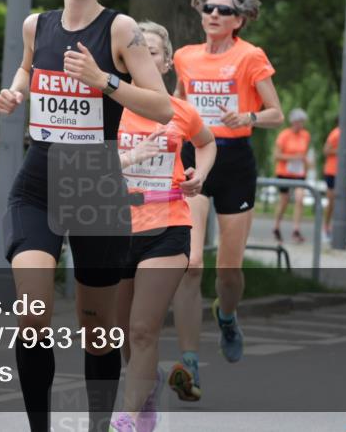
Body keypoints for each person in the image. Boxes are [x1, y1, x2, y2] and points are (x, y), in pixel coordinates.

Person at [0, 0, 172, 432]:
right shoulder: (37, 24)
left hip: (94, 181)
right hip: (38, 179)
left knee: (97, 330)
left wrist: (105, 80)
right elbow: (29, 68)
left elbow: (161, 106)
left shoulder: (120, 30)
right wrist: (16, 92)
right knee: (32, 312)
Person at [170, 0, 283, 395]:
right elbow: (176, 104)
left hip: (234, 159)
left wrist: (247, 118)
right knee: (191, 261)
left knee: (228, 273)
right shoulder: (184, 57)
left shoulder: (249, 56)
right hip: (194, 157)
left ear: (239, 19)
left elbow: (276, 113)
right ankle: (190, 363)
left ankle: (227, 316)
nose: (214, 15)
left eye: (224, 11)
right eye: (208, 9)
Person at [111, 21, 215, 432]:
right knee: (121, 335)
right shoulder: (109, 109)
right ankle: (147, 387)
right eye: (136, 51)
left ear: (166, 62)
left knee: (142, 329)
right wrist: (135, 156)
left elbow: (207, 143)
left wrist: (199, 175)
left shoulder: (180, 111)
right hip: (116, 226)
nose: (144, 58)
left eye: (152, 51)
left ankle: (128, 415)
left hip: (168, 224)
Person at [271, 108, 311, 244]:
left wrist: (306, 162)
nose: (301, 125)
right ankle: (276, 226)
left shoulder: (305, 135)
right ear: (293, 122)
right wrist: (293, 157)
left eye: (303, 122)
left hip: (299, 172)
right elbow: (276, 156)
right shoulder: (284, 135)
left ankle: (296, 229)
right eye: (299, 122)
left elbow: (305, 154)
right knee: (284, 200)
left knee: (300, 198)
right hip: (284, 172)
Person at [322, 117, 346, 242]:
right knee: (332, 201)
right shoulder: (335, 133)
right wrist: (341, 150)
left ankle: (341, 230)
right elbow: (326, 150)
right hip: (333, 170)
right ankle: (326, 228)